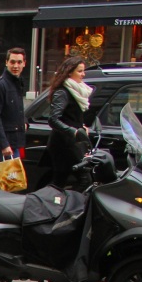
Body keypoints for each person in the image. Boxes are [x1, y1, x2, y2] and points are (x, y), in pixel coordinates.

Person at [47, 56, 92, 189]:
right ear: (69, 72)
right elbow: (53, 119)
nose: (83, 74)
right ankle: (66, 205)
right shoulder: (62, 92)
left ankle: (59, 203)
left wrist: (80, 125)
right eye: (80, 71)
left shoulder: (76, 90)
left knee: (61, 180)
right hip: (64, 144)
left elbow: (71, 115)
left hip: (73, 142)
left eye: (83, 71)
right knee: (83, 180)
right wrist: (74, 131)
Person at [0, 47, 27, 160]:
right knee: (11, 176)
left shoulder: (18, 82)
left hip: (14, 139)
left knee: (12, 176)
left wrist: (24, 121)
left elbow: (17, 108)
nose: (16, 66)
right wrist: (4, 145)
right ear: (6, 62)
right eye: (12, 62)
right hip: (5, 142)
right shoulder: (0, 85)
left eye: (19, 62)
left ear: (24, 63)